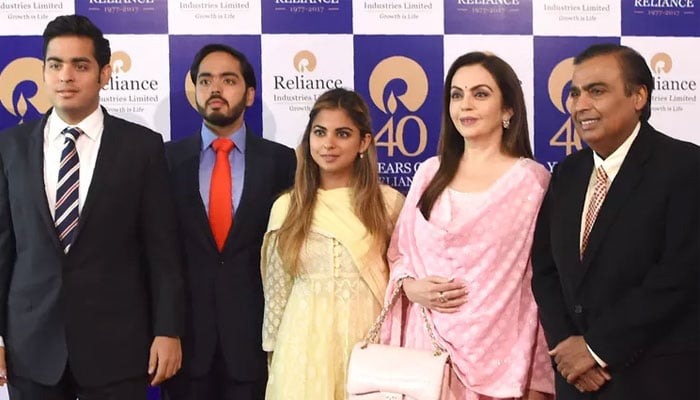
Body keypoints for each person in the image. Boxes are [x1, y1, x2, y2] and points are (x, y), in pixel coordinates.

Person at [0, 14, 185, 399]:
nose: (66, 76)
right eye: (56, 65)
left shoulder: (143, 148)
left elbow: (163, 251)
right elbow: (3, 249)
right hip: (30, 346)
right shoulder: (10, 147)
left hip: (117, 347)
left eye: (80, 65)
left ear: (105, 74)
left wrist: (168, 330)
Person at [381, 52, 555, 400]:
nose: (465, 105)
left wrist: (537, 378)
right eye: (457, 94)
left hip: (501, 362)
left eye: (481, 93)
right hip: (424, 357)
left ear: (508, 110)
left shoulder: (531, 182)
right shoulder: (429, 173)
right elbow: (399, 252)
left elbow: (540, 281)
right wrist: (410, 287)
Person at [531, 43, 699, 399]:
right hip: (576, 381)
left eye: (597, 91)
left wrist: (595, 349)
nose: (580, 105)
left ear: (638, 96)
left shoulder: (686, 167)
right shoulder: (566, 174)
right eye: (575, 93)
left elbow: (680, 277)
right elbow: (545, 271)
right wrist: (567, 348)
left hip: (654, 378)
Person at [162, 44, 296, 400]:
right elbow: (155, 253)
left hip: (254, 344)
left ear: (249, 94)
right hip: (185, 346)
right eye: (205, 81)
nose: (215, 89)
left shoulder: (282, 162)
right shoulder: (164, 160)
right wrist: (163, 329)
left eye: (228, 80)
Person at [261, 88, 404, 399]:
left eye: (342, 133)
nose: (328, 144)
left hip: (371, 340)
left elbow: (403, 282)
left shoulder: (389, 204)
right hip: (302, 346)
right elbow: (276, 293)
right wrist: (275, 359)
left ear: (364, 142)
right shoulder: (287, 207)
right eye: (319, 132)